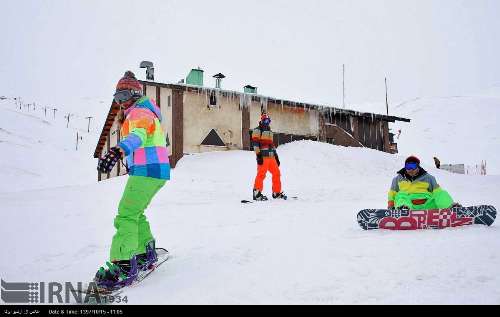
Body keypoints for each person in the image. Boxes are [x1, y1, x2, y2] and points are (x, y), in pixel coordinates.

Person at [95, 71, 170, 289]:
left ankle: (124, 264)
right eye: (117, 97)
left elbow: (138, 135)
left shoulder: (139, 112)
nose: (122, 101)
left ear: (136, 93)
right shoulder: (144, 110)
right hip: (155, 170)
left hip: (147, 170)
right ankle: (144, 252)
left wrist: (118, 151)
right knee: (136, 213)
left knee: (126, 214)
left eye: (125, 95)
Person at [388, 156, 460, 210]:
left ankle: (452, 209)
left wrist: (440, 196)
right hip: (409, 204)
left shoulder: (429, 178)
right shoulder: (397, 179)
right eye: (408, 167)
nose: (411, 169)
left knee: (440, 193)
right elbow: (392, 194)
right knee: (401, 195)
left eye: (413, 166)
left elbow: (437, 192)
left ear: (418, 166)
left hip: (427, 204)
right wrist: (391, 207)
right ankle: (403, 210)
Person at [251, 113, 287, 201]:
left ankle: (276, 192)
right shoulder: (257, 130)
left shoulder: (270, 131)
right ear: (262, 121)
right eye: (265, 120)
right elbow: (255, 144)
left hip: (271, 157)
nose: (267, 122)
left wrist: (276, 156)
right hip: (263, 156)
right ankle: (257, 193)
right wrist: (258, 155)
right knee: (261, 174)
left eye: (268, 121)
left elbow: (272, 145)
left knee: (277, 173)